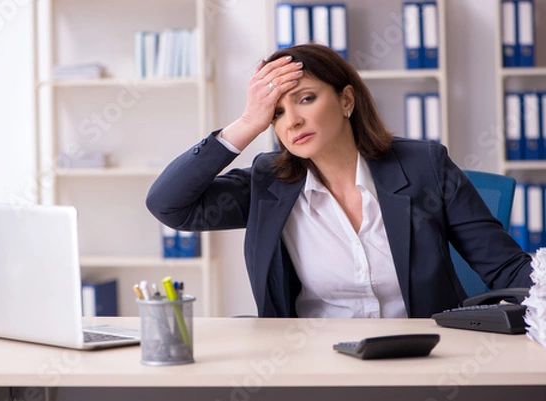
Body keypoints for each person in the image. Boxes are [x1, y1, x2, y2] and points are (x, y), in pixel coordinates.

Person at [146, 43, 532, 319]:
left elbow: (507, 269)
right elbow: (170, 205)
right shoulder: (269, 184)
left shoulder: (423, 166)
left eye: (307, 98)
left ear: (347, 100)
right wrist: (247, 123)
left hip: (423, 359)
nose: (292, 120)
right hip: (313, 366)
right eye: (276, 113)